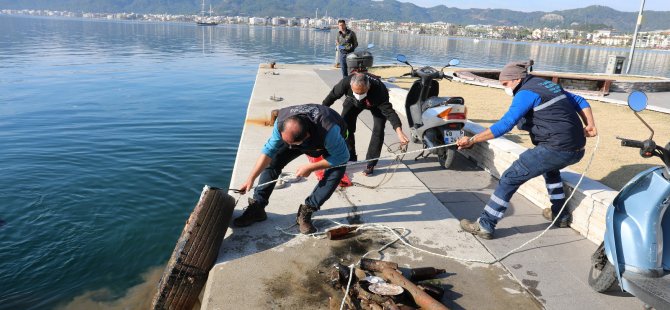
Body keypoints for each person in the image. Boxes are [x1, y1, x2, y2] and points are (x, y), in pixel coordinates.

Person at [457, 60, 598, 240]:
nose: (505, 88)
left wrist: (472, 140)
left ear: (516, 79)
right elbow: (579, 100)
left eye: (505, 84)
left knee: (509, 178)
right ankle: (560, 215)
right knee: (550, 170)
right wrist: (590, 124)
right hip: (577, 149)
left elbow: (505, 125)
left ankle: (485, 224)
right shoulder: (547, 85)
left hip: (555, 148)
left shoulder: (525, 93)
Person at [233, 104, 349, 234]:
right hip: (298, 138)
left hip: (326, 143)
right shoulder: (281, 122)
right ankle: (258, 208)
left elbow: (343, 157)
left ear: (306, 136)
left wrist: (310, 167)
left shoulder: (329, 130)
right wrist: (251, 178)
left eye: (293, 144)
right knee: (273, 162)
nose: (288, 146)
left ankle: (307, 210)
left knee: (336, 172)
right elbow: (268, 151)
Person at [323, 72, 409, 176]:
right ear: (351, 85)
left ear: (368, 87)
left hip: (375, 104)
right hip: (352, 101)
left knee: (378, 129)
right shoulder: (345, 83)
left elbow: (389, 112)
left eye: (362, 92)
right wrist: (321, 115)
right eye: (357, 92)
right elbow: (331, 97)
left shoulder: (379, 91)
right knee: (344, 125)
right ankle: (350, 157)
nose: (359, 95)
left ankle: (371, 163)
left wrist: (399, 132)